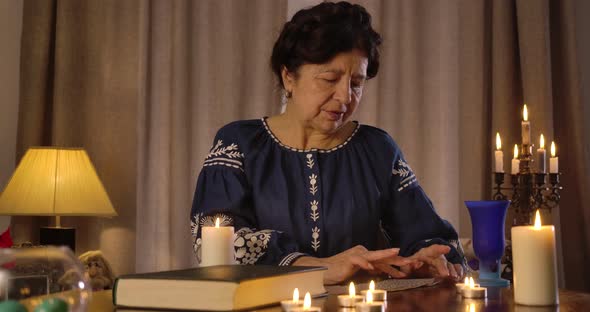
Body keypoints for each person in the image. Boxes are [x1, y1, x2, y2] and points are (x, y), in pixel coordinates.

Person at [190, 1, 465, 285]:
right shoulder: (238, 144)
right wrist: (317, 267)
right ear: (288, 77)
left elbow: (424, 232)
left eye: (356, 83)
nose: (345, 97)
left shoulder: (377, 149)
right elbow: (213, 237)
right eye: (330, 79)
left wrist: (426, 258)